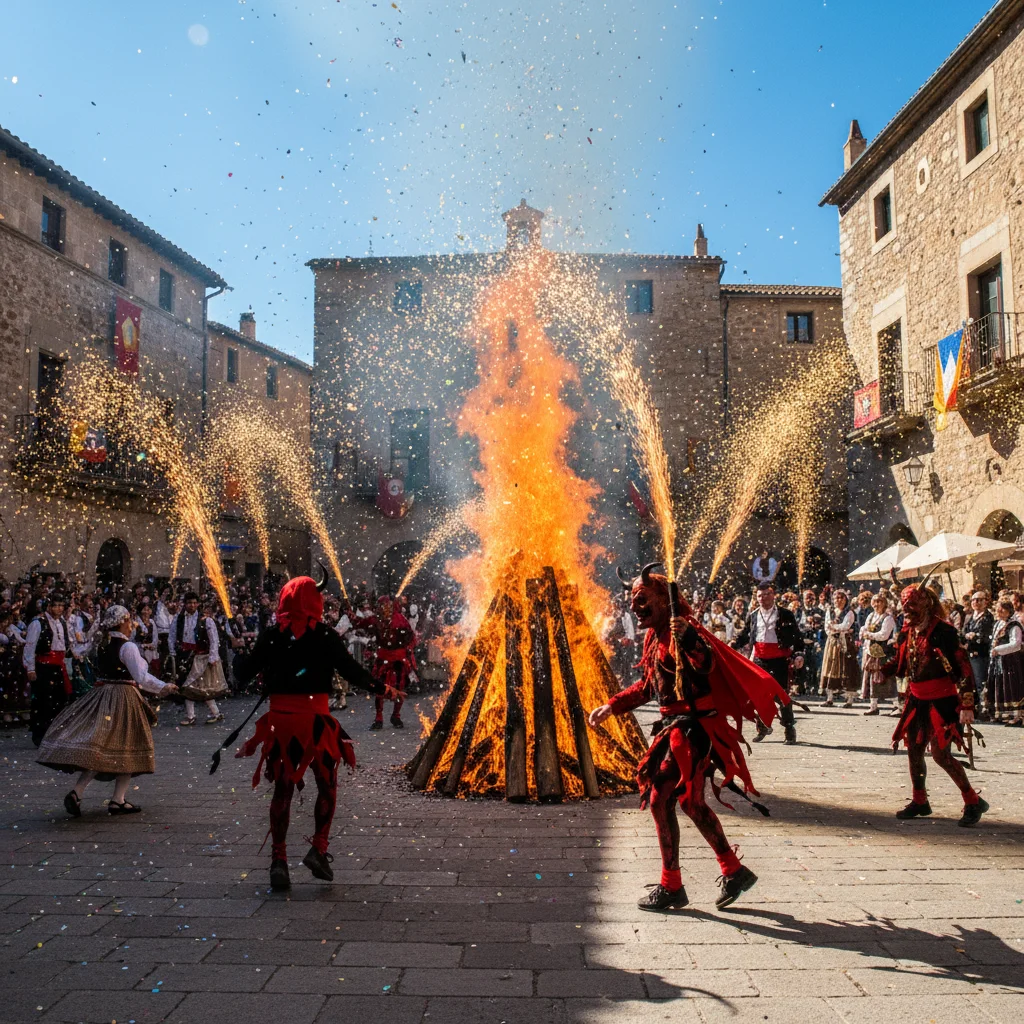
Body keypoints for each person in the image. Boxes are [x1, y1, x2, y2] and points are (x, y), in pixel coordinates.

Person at [587, 566, 787, 912]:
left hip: (694, 729)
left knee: (661, 798)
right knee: (688, 803)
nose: (635, 606)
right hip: (674, 727)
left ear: (664, 600)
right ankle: (731, 871)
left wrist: (691, 641)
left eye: (642, 599)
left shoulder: (685, 628)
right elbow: (650, 686)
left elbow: (706, 663)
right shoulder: (654, 636)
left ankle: (673, 886)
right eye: (632, 599)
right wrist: (612, 705)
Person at [234, 574, 393, 890]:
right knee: (327, 785)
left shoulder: (270, 636)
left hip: (283, 723)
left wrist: (240, 651)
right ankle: (319, 848)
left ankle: (278, 861)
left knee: (282, 790)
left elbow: (242, 675)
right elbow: (353, 671)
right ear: (314, 601)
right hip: (316, 722)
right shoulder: (325, 635)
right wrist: (383, 688)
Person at [36, 604, 178, 816]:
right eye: (129, 621)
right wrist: (163, 686)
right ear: (122, 622)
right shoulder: (127, 647)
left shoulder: (102, 643)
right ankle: (117, 799)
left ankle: (78, 791)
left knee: (100, 746)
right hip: (123, 697)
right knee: (128, 745)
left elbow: (78, 652)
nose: (132, 625)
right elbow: (141, 677)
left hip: (102, 696)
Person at [885, 582, 986, 825]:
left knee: (941, 755)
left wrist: (967, 705)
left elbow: (963, 668)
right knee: (915, 751)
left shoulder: (945, 632)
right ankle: (920, 800)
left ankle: (972, 800)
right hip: (917, 700)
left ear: (927, 604)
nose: (907, 612)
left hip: (943, 701)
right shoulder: (907, 630)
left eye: (912, 606)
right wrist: (882, 666)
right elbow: (902, 664)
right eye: (904, 607)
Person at [732, 582, 802, 743]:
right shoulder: (754, 614)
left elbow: (796, 636)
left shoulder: (785, 614)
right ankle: (763, 726)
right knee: (756, 695)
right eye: (759, 595)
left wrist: (798, 654)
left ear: (773, 595)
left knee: (781, 696)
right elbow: (745, 635)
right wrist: (733, 644)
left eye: (766, 594)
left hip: (779, 660)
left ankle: (789, 728)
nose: (763, 598)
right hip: (759, 660)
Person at [169, 593, 227, 725]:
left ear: (198, 604)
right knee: (189, 687)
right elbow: (172, 636)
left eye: (195, 603)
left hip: (201, 657)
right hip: (185, 656)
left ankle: (206, 714)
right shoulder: (178, 619)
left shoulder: (205, 620)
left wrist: (213, 656)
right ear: (185, 604)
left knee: (196, 687)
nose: (192, 605)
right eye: (189, 603)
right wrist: (173, 651)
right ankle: (197, 715)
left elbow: (214, 639)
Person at [23, 592, 72, 746]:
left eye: (61, 606)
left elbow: (65, 645)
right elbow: (30, 646)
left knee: (59, 700)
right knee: (43, 701)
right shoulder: (38, 623)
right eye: (55, 605)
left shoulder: (62, 623)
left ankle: (55, 733)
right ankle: (40, 735)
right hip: (43, 666)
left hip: (58, 666)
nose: (58, 609)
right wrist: (30, 668)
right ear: (49, 606)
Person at [370, 595, 416, 730]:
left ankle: (396, 715)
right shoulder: (378, 619)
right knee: (380, 688)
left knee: (399, 687)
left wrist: (406, 649)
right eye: (382, 605)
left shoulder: (400, 620)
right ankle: (379, 717)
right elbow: (364, 625)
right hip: (383, 658)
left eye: (386, 605)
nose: (383, 608)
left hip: (398, 660)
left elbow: (411, 638)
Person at [859, 592, 896, 715]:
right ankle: (873, 706)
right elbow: (864, 627)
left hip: (883, 651)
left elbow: (884, 635)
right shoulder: (871, 616)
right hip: (871, 650)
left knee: (885, 678)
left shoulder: (888, 618)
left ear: (884, 603)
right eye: (874, 601)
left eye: (879, 601)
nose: (876, 604)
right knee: (870, 677)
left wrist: (868, 635)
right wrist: (863, 632)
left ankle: (897, 705)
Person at [988, 598, 1024, 724]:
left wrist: (998, 649)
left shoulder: (1014, 625)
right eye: (998, 608)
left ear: (1009, 611)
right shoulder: (998, 623)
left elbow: (1016, 644)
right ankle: (1005, 714)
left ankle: (1016, 716)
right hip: (999, 661)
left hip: (1011, 661)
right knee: (1002, 686)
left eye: (1002, 609)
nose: (999, 611)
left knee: (1012, 687)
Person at [821, 590, 858, 707]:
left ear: (845, 600)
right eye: (836, 598)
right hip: (831, 641)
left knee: (846, 668)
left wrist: (834, 627)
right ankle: (830, 697)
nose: (838, 600)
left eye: (841, 598)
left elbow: (845, 626)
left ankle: (849, 699)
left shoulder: (849, 612)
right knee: (830, 667)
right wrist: (833, 629)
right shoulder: (830, 611)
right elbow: (826, 626)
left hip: (844, 642)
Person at [960, 592, 994, 720]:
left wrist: (974, 636)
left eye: (979, 600)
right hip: (968, 653)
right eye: (973, 600)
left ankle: (984, 709)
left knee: (981, 682)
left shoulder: (988, 617)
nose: (975, 602)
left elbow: (985, 636)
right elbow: (963, 632)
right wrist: (967, 636)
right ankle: (973, 707)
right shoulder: (969, 616)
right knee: (970, 682)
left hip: (981, 654)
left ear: (985, 601)